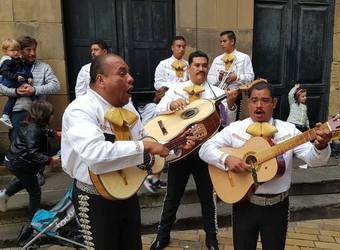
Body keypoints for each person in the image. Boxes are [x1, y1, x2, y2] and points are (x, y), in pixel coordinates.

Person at [61, 53, 196, 250]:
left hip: (128, 194)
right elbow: (95, 155)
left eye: (129, 73)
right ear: (101, 80)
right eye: (122, 73)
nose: (131, 78)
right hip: (94, 199)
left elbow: (143, 156)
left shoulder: (130, 111)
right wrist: (146, 146)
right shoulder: (80, 110)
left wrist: (175, 149)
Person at [199, 81, 332, 250]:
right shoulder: (236, 129)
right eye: (254, 100)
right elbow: (205, 149)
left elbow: (314, 160)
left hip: (277, 206)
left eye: (265, 100)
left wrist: (321, 146)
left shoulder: (288, 132)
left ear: (274, 103)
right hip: (244, 204)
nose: (259, 105)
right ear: (248, 104)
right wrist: (226, 159)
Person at [150, 50, 238, 250]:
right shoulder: (176, 88)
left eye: (204, 65)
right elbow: (158, 109)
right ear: (188, 67)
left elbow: (227, 123)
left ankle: (212, 239)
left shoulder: (216, 91)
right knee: (172, 196)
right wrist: (171, 104)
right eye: (197, 65)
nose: (201, 69)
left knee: (208, 197)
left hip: (205, 152)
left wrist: (231, 104)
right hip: (180, 150)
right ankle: (162, 236)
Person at [142, 36, 189, 193]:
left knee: (176, 140)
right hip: (166, 103)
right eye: (178, 46)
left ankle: (156, 178)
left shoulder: (188, 65)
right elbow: (158, 83)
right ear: (172, 47)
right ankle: (152, 176)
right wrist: (175, 87)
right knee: (163, 139)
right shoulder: (163, 64)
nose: (181, 49)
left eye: (183, 46)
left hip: (181, 106)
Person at [0, 100, 60, 216]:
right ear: (44, 116)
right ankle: (34, 219)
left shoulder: (35, 125)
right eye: (51, 114)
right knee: (35, 191)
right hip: (20, 163)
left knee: (26, 181)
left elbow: (43, 131)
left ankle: (4, 195)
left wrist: (54, 133)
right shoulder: (33, 130)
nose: (53, 116)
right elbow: (33, 152)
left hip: (16, 161)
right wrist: (50, 160)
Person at [0, 36, 60, 143]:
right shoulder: (9, 66)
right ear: (20, 51)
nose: (33, 53)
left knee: (39, 148)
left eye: (34, 49)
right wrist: (15, 92)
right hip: (18, 113)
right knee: (18, 147)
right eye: (28, 50)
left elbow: (56, 86)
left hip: (39, 114)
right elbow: (1, 87)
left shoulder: (44, 67)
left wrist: (35, 89)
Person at [207, 31, 254, 120]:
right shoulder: (217, 59)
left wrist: (236, 77)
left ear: (232, 41)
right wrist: (219, 77)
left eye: (224, 41)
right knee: (218, 120)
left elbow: (251, 77)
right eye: (220, 41)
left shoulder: (244, 57)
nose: (222, 44)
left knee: (232, 119)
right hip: (219, 95)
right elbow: (209, 78)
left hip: (235, 94)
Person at [0, 38, 33, 128]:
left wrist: (30, 77)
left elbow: (25, 70)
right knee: (18, 94)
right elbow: (4, 72)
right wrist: (16, 77)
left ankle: (5, 115)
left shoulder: (17, 60)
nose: (15, 52)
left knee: (13, 98)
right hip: (9, 82)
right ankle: (5, 115)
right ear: (5, 51)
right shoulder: (7, 61)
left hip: (15, 81)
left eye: (17, 50)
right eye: (12, 50)